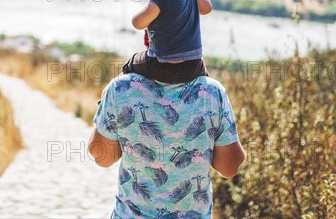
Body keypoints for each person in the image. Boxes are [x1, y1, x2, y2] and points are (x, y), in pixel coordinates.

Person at [88, 72, 246, 218]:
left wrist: (107, 104)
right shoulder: (213, 91)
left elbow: (102, 158)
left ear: (148, 43)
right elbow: (230, 167)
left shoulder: (119, 88)